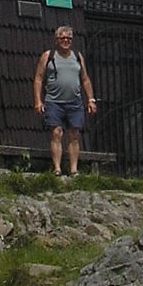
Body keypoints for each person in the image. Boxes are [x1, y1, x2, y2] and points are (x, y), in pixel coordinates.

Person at [33, 25, 97, 178]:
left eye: (69, 38)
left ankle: (74, 169)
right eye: (63, 38)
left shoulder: (77, 56)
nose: (66, 41)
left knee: (74, 133)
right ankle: (57, 168)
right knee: (56, 132)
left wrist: (91, 99)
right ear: (57, 40)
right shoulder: (48, 56)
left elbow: (85, 79)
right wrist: (38, 100)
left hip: (74, 101)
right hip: (54, 101)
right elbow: (38, 78)